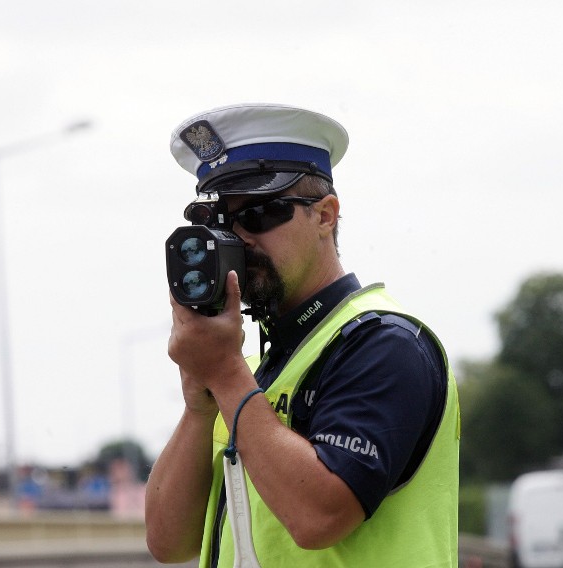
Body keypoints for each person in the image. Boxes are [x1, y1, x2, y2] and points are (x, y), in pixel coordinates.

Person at [146, 103, 460, 567]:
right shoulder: (253, 376)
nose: (237, 240)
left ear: (325, 216)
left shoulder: (386, 344)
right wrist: (199, 404)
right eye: (220, 223)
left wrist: (226, 375)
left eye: (258, 214)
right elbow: (169, 543)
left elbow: (319, 516)